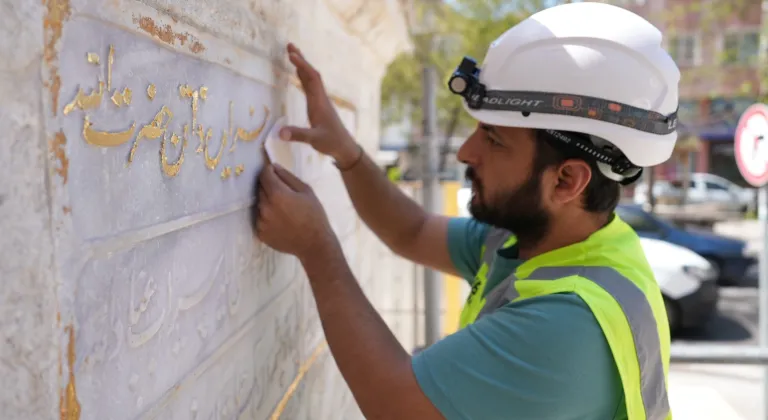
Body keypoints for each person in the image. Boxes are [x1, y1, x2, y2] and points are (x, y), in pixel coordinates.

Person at [253, 2, 679, 419]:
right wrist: (346, 152)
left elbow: (394, 404)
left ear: (566, 181)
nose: (465, 151)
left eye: (493, 139)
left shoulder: (570, 322)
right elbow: (413, 231)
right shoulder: (544, 241)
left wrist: (317, 250)